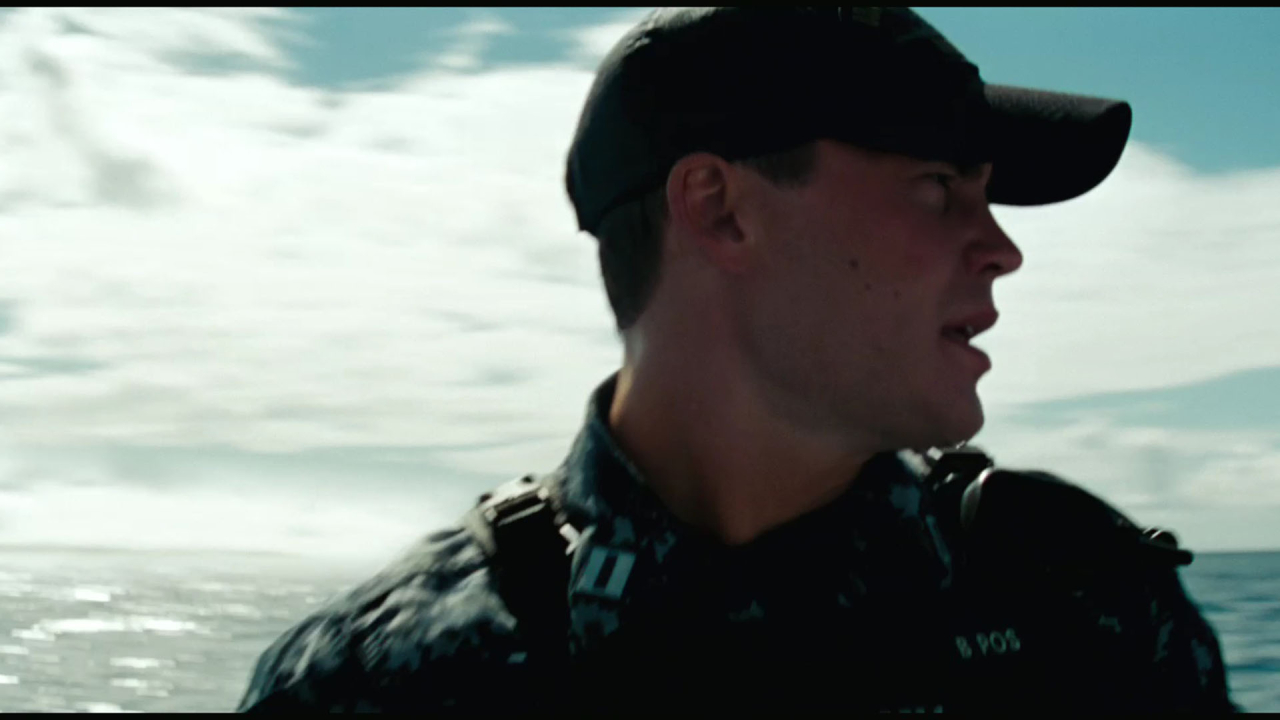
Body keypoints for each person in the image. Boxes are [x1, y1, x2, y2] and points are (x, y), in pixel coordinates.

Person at [236, 7, 1238, 713]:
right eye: (938, 186)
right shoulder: (376, 684)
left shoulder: (1086, 609)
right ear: (719, 210)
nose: (1001, 249)